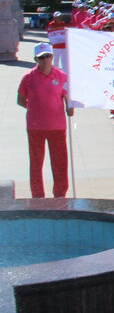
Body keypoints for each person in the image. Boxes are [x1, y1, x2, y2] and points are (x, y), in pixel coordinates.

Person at [17, 43, 74, 198]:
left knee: (60, 162)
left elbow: (67, 97)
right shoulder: (28, 78)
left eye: (48, 56)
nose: (45, 60)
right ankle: (37, 196)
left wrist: (70, 108)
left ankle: (60, 194)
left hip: (57, 126)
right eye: (41, 57)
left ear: (52, 57)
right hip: (36, 127)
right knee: (36, 163)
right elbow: (21, 100)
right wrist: (35, 109)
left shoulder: (62, 76)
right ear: (36, 59)